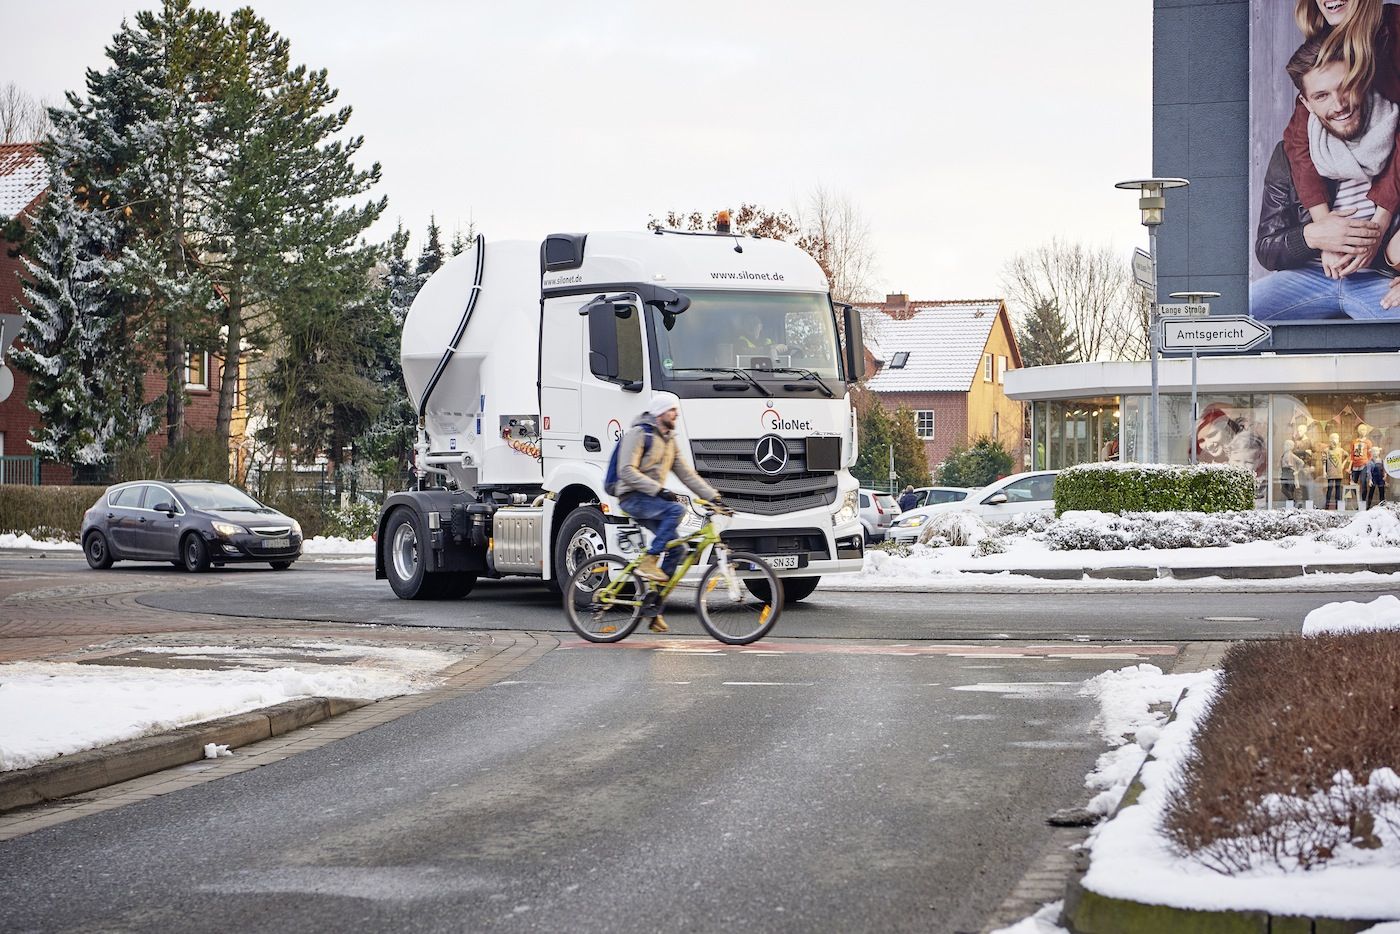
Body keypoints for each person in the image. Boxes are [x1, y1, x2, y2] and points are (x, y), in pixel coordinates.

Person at [1252, 35, 1400, 318]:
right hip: (1307, 277)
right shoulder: (1289, 155)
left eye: (1345, 87)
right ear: (1306, 103)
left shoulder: (1395, 139)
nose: (1339, 104)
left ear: (1362, 81)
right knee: (1233, 319)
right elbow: (1266, 248)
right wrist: (1314, 237)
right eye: (1321, 96)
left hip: (1380, 281)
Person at [1284, 0, 1400, 267]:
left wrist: (1379, 224)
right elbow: (1297, 139)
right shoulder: (1327, 43)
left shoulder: (1394, 28)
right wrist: (1327, 230)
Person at [613, 393, 723, 629]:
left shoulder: (669, 440)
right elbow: (626, 471)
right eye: (672, 410)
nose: (676, 414)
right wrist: (658, 490)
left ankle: (654, 609)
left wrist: (713, 497)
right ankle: (649, 560)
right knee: (676, 510)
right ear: (660, 412)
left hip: (651, 499)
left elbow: (687, 474)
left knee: (678, 550)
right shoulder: (639, 434)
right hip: (632, 497)